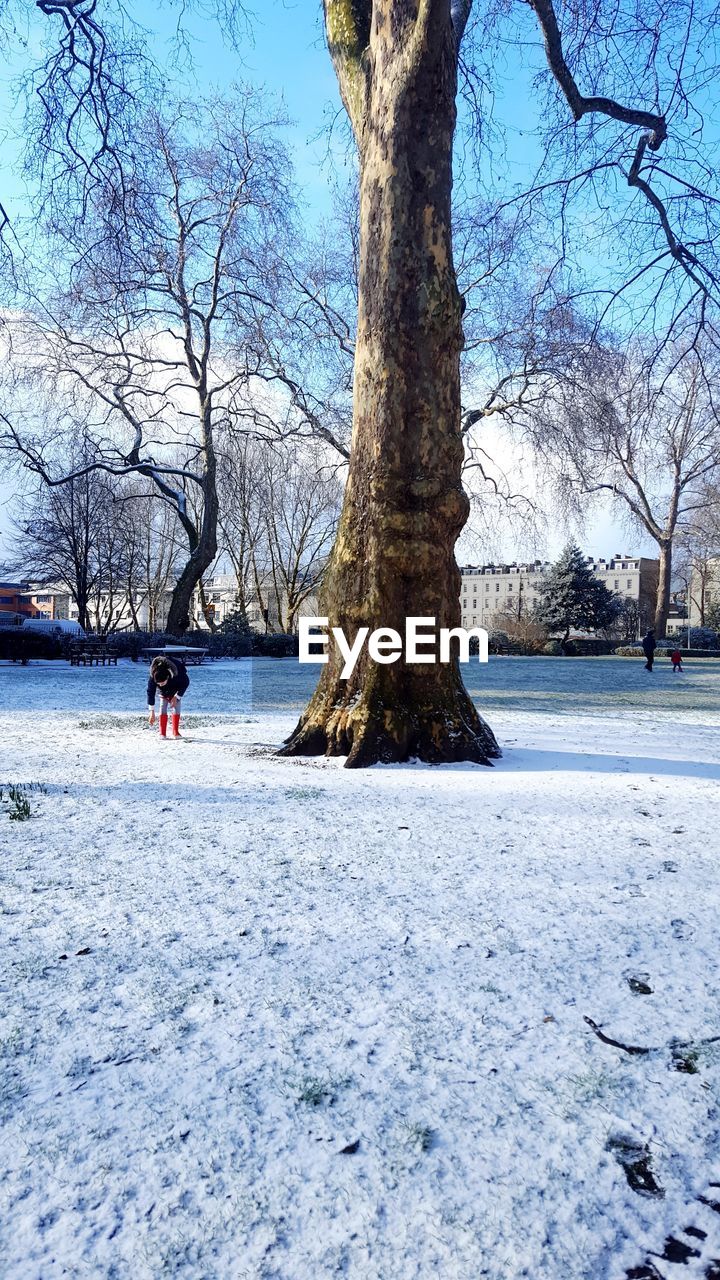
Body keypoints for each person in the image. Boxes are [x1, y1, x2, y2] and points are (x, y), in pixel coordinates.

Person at [147, 655, 190, 738]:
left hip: (176, 686)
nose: (160, 685)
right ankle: (162, 733)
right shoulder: (153, 677)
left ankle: (175, 732)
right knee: (163, 705)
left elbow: (186, 683)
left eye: (162, 683)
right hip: (164, 691)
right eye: (158, 684)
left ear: (167, 677)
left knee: (176, 706)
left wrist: (177, 696)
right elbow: (150, 692)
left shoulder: (178, 674)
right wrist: (151, 711)